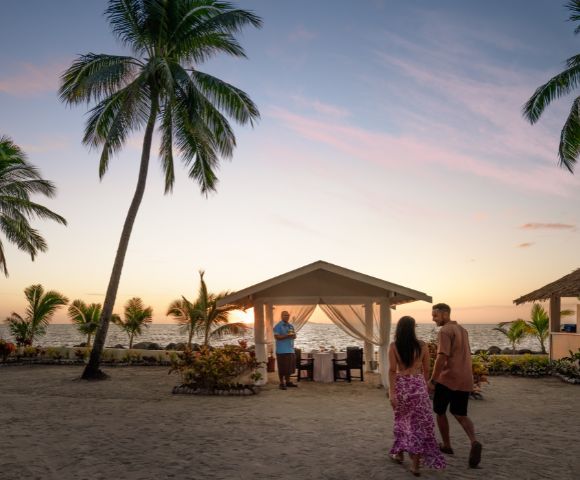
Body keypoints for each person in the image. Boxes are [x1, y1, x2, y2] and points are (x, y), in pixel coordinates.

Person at [388, 316, 446, 477]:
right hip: (418, 386)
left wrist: (392, 393)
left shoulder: (394, 346)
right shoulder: (422, 345)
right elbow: (427, 369)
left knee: (402, 421)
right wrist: (426, 388)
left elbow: (392, 370)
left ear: (399, 329)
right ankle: (414, 464)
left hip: (402, 388)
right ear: (413, 328)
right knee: (419, 424)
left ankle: (400, 454)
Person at [428, 303, 483, 469]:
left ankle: (447, 445)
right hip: (465, 378)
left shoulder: (445, 331)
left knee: (439, 411)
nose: (433, 319)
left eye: (435, 315)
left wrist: (433, 380)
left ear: (445, 315)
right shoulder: (462, 330)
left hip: (448, 378)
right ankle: (474, 441)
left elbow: (442, 357)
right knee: (460, 413)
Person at [273, 310, 297, 390]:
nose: (286, 317)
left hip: (290, 350)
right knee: (282, 368)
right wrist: (287, 335)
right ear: (281, 316)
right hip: (281, 351)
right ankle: (281, 383)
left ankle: (288, 382)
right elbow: (277, 337)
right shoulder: (278, 326)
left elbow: (294, 336)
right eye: (285, 315)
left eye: (287, 315)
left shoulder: (290, 326)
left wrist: (293, 335)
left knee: (289, 368)